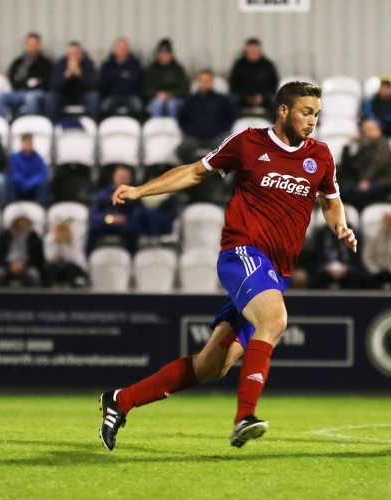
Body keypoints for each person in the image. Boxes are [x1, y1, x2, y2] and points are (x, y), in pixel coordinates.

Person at [97, 81, 357, 451]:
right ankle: (244, 417)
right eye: (306, 112)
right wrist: (140, 191)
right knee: (275, 321)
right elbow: (193, 172)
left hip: (275, 274)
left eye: (316, 113)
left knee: (210, 367)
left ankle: (119, 401)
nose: (312, 121)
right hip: (242, 254)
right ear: (283, 110)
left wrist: (340, 226)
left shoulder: (321, 155)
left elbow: (331, 201)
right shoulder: (249, 143)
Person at [176, 69, 236, 164]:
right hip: (194, 137)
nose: (205, 83)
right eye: (203, 81)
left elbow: (230, 119)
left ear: (212, 82)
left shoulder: (222, 100)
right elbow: (181, 120)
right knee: (182, 149)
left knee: (225, 150)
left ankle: (217, 175)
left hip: (215, 136)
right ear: (198, 82)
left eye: (208, 81)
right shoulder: (189, 101)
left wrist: (218, 130)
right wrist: (191, 130)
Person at [340, 119, 391, 210]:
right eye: (365, 131)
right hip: (368, 182)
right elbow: (350, 164)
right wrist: (347, 146)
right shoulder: (366, 147)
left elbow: (377, 164)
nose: (368, 133)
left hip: (384, 182)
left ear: (378, 130)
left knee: (354, 193)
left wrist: (366, 180)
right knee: (342, 188)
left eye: (371, 129)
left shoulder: (383, 145)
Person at [86, 165, 142, 256]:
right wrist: (109, 218)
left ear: (130, 180)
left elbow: (137, 214)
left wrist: (125, 219)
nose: (123, 181)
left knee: (133, 230)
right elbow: (94, 214)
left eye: (126, 178)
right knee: (92, 229)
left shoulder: (134, 196)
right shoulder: (102, 194)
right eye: (120, 177)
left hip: (124, 224)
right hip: (105, 223)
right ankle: (88, 257)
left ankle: (132, 259)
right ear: (114, 177)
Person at [0, 32, 53, 120]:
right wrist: (23, 82)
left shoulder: (45, 63)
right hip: (18, 91)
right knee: (1, 97)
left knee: (31, 98)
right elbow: (12, 77)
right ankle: (6, 120)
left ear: (39, 46)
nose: (31, 47)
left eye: (33, 44)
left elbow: (45, 80)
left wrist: (26, 82)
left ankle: (27, 123)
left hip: (36, 92)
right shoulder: (18, 61)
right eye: (29, 44)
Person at [46, 41, 100, 122]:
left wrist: (80, 75)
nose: (73, 56)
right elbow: (53, 86)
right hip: (64, 95)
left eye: (76, 54)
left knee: (93, 97)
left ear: (80, 54)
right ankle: (51, 125)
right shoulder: (60, 64)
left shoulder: (88, 64)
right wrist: (66, 76)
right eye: (70, 54)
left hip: (82, 95)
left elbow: (94, 85)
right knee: (51, 97)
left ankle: (93, 125)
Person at [228, 38, 279, 119]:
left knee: (276, 102)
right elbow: (233, 83)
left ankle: (274, 127)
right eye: (250, 51)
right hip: (242, 96)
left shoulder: (268, 65)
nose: (253, 53)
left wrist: (262, 96)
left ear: (260, 51)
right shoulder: (239, 65)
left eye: (255, 51)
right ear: (246, 51)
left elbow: (273, 83)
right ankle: (232, 126)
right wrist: (246, 96)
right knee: (230, 102)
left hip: (264, 96)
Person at [0, 212, 44, 287]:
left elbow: (38, 256)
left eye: (24, 220)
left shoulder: (33, 236)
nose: (23, 223)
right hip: (7, 265)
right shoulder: (5, 235)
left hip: (27, 265)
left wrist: (25, 265)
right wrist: (8, 266)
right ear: (15, 221)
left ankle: (35, 298)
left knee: (34, 275)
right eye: (20, 220)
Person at [309, 221, 368, 290]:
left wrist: (347, 267)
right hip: (326, 265)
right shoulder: (321, 233)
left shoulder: (354, 233)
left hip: (348, 266)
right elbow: (316, 254)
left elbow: (357, 255)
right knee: (317, 273)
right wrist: (326, 265)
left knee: (357, 274)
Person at [362, 211, 391, 289]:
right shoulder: (371, 236)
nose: (389, 223)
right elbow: (367, 257)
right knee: (366, 278)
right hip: (375, 270)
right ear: (382, 221)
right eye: (386, 220)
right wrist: (375, 270)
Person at [99, 37, 144, 119]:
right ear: (114, 49)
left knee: (138, 106)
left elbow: (136, 80)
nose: (121, 50)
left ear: (128, 49)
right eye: (119, 47)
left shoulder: (135, 64)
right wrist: (123, 77)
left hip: (131, 95)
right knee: (104, 107)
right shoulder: (107, 65)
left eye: (123, 48)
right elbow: (104, 81)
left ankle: (135, 128)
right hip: (112, 94)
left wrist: (117, 77)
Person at [143, 38, 189, 118]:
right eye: (162, 54)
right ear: (158, 55)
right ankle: (156, 128)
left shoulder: (178, 70)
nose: (164, 56)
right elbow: (146, 88)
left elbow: (184, 88)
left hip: (175, 98)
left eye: (166, 54)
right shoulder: (151, 69)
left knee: (172, 104)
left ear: (171, 55)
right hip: (157, 98)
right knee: (158, 104)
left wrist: (171, 94)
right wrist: (157, 94)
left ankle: (174, 127)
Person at [6, 133, 51, 205]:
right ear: (21, 144)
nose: (27, 146)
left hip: (34, 187)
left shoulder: (38, 158)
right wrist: (22, 182)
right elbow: (13, 173)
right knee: (10, 182)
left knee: (43, 183)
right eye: (25, 143)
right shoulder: (15, 157)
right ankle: (12, 205)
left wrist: (30, 183)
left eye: (29, 144)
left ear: (32, 144)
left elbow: (42, 174)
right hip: (19, 186)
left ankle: (41, 206)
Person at [44, 220, 88, 288]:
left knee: (70, 268)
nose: (62, 233)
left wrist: (65, 244)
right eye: (60, 231)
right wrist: (58, 244)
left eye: (64, 230)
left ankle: (73, 289)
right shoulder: (49, 240)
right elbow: (49, 258)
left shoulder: (75, 240)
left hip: (74, 266)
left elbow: (71, 259)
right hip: (57, 267)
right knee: (50, 269)